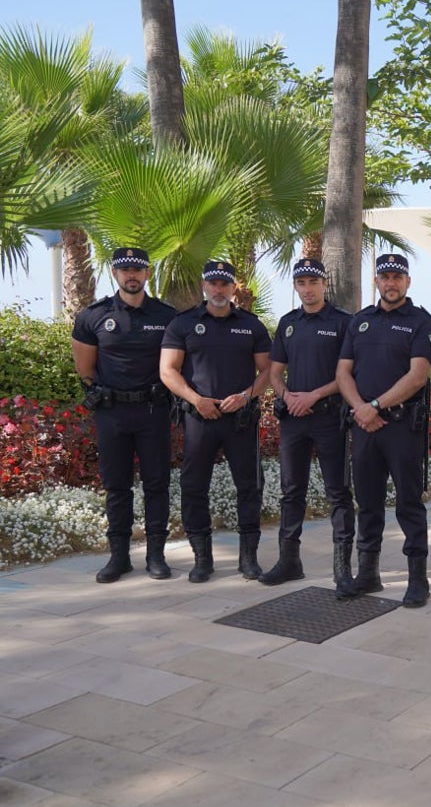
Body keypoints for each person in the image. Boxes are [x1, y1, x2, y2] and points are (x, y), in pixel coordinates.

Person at [160, 260, 272, 582]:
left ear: (234, 287)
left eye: (225, 283)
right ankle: (202, 560)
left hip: (240, 419)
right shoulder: (182, 324)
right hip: (199, 418)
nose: (219, 289)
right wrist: (196, 400)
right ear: (204, 286)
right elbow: (167, 370)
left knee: (250, 487)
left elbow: (267, 371)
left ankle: (248, 559)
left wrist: (246, 396)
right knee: (194, 487)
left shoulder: (251, 325)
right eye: (213, 283)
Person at [71, 247, 177, 583]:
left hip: (153, 411)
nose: (132, 275)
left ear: (147, 273)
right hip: (112, 413)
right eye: (125, 269)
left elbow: (178, 363)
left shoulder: (167, 315)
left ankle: (156, 555)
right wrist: (100, 395)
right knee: (116, 487)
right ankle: (118, 557)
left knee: (157, 484)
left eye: (138, 269)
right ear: (115, 273)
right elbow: (85, 370)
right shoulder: (93, 316)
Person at [337, 253, 431, 604]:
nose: (391, 283)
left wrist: (375, 406)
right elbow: (343, 372)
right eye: (385, 277)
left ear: (408, 282)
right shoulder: (360, 321)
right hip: (364, 426)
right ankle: (368, 574)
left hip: (400, 427)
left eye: (397, 277)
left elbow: (417, 375)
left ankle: (417, 579)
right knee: (367, 502)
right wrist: (360, 410)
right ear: (376, 281)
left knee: (409, 503)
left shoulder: (421, 322)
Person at [261, 258, 354, 593]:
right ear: (296, 286)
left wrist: (313, 396)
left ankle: (342, 568)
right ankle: (289, 561)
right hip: (294, 419)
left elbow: (348, 374)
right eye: (301, 283)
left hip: (330, 417)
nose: (308, 288)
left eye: (313, 282)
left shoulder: (344, 322)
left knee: (338, 493)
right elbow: (274, 371)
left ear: (323, 284)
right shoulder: (288, 323)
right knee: (291, 492)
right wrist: (288, 396)